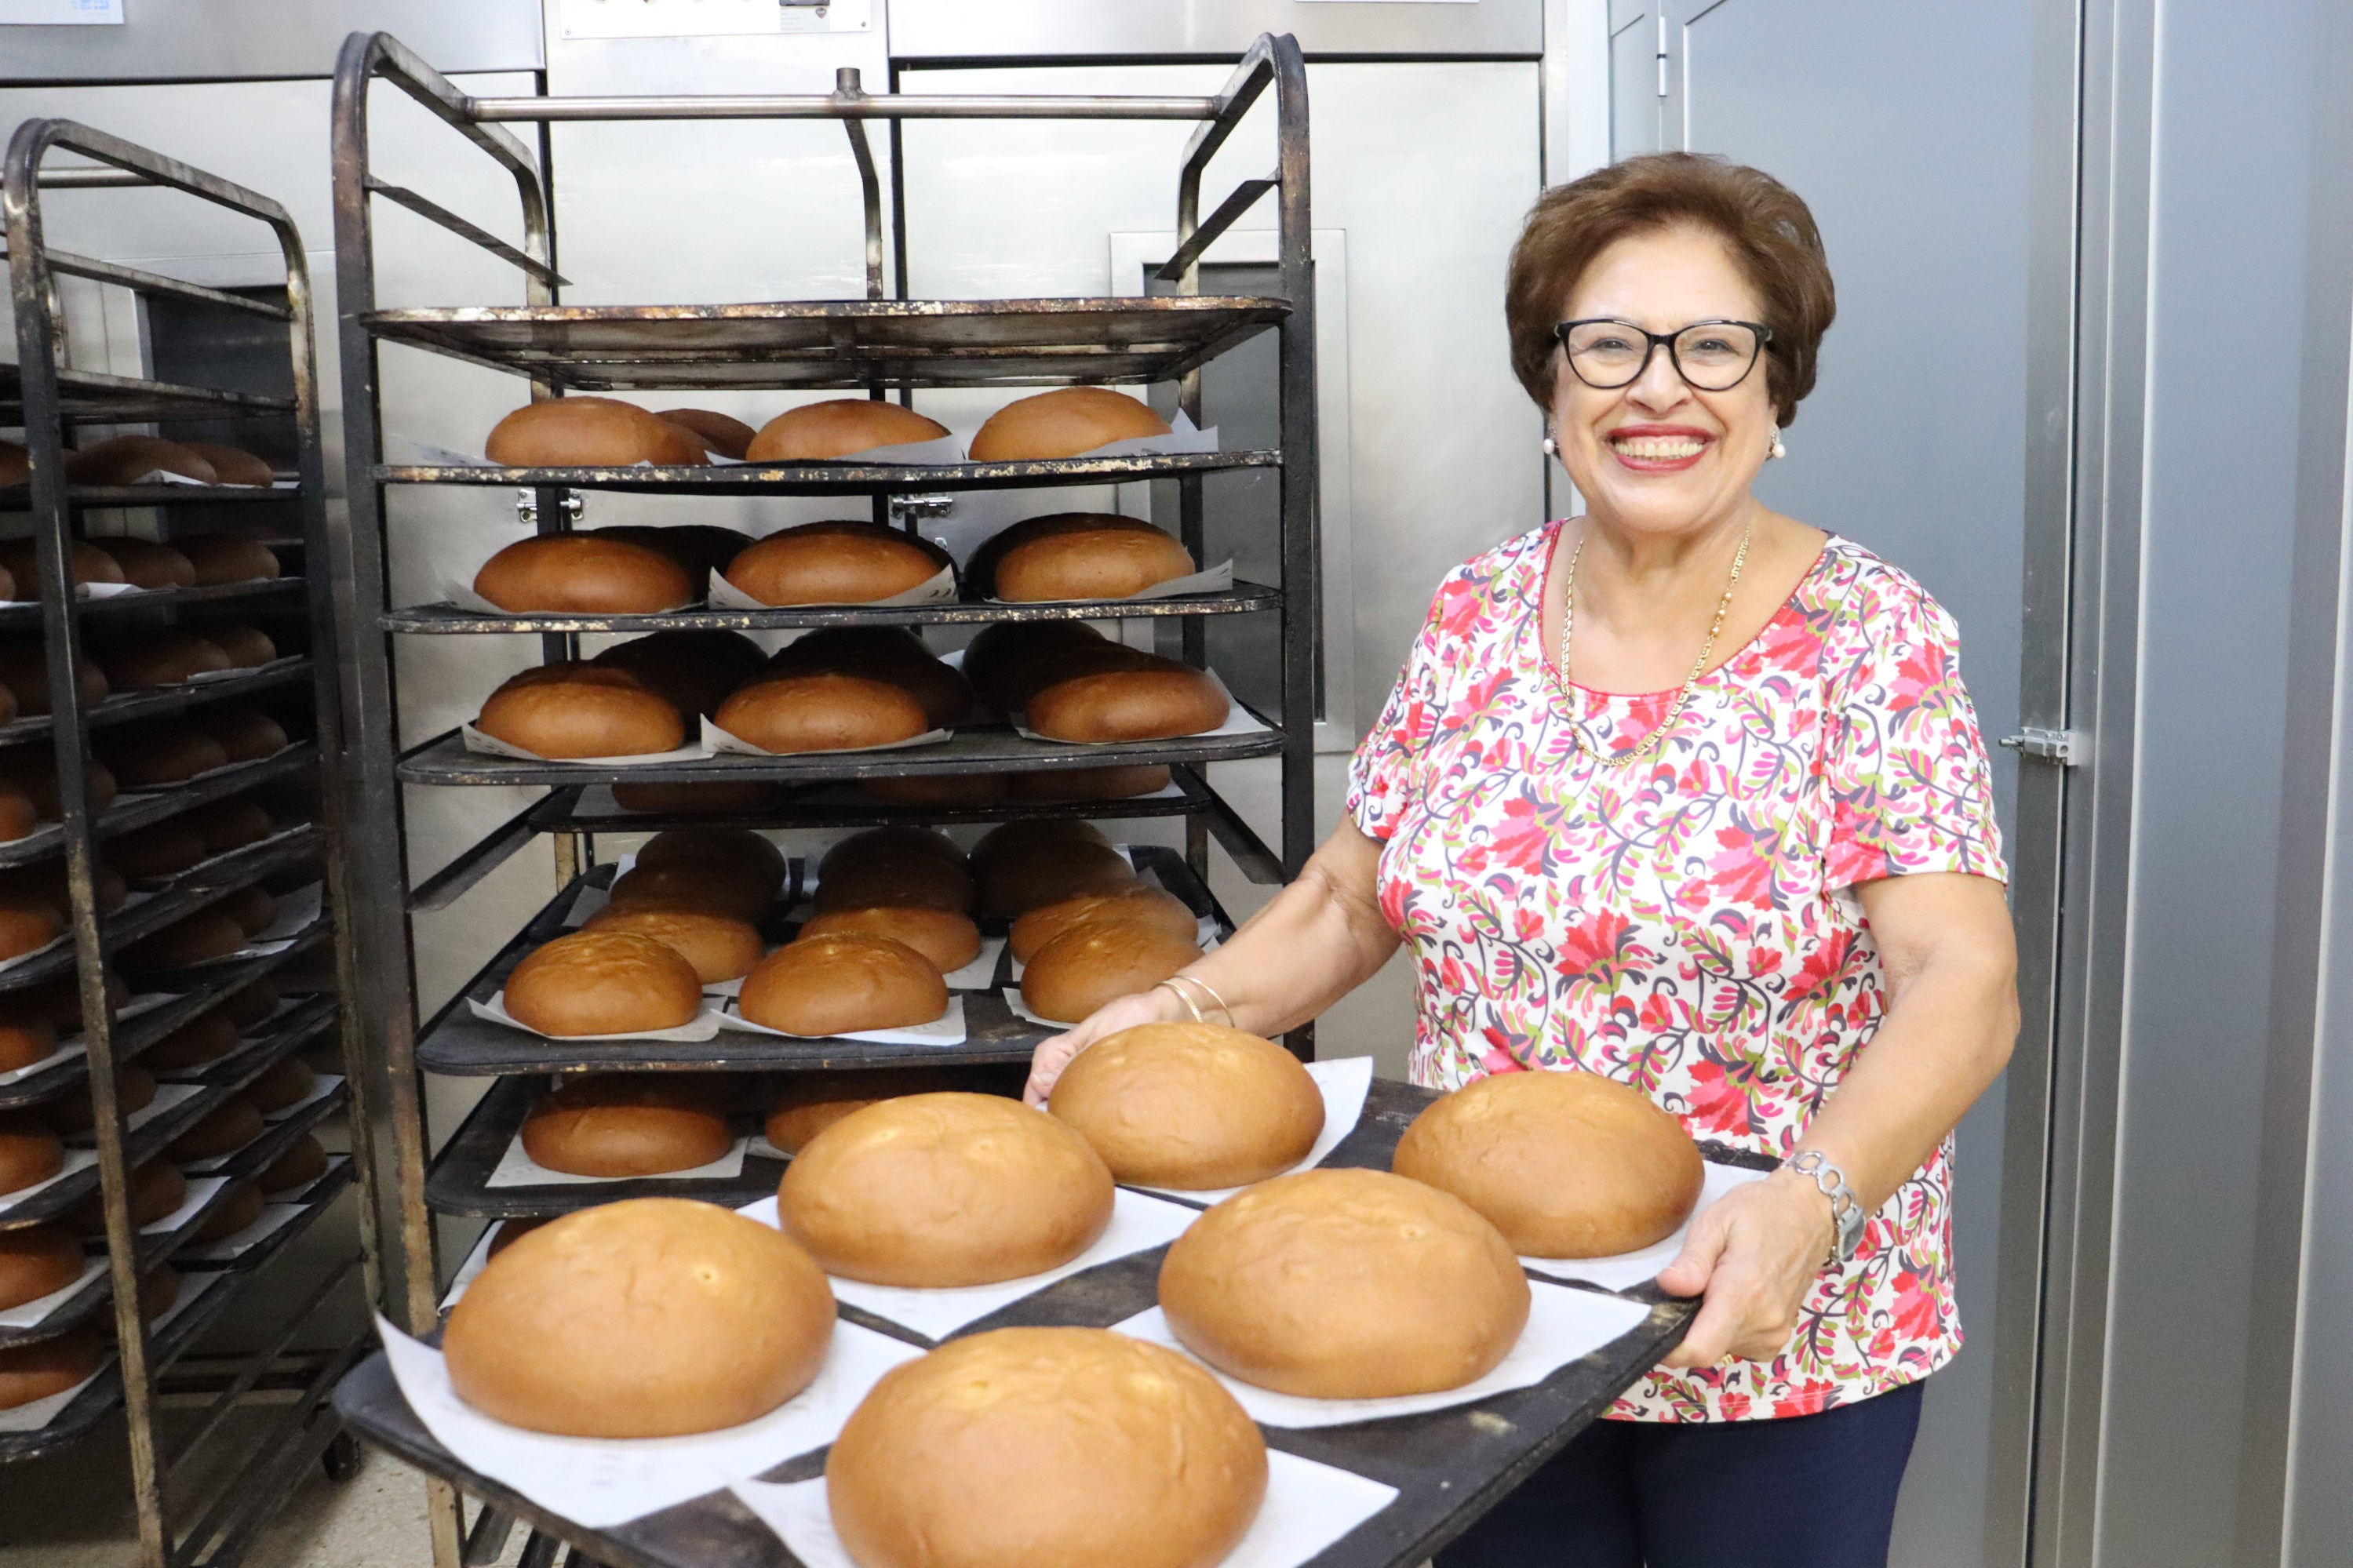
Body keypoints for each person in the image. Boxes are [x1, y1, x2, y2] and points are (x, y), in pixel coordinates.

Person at [1025, 151, 2018, 1568]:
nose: (1658, 389)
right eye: (1607, 344)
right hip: (1486, 1303)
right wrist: (1175, 1011)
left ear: (1777, 388)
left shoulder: (1871, 634)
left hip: (1777, 1312)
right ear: (1552, 386)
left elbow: (1961, 978)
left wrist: (1813, 1206)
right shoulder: (1479, 610)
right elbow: (1350, 896)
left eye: (1713, 346)